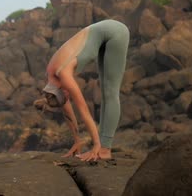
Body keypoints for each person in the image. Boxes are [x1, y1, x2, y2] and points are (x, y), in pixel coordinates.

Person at [43, 19, 129, 161]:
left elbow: (83, 110)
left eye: (66, 95)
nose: (68, 96)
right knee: (105, 92)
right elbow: (67, 112)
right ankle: (102, 146)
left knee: (110, 92)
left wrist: (95, 145)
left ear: (60, 88)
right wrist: (78, 140)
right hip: (100, 33)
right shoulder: (51, 76)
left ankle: (104, 150)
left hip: (116, 31)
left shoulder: (63, 74)